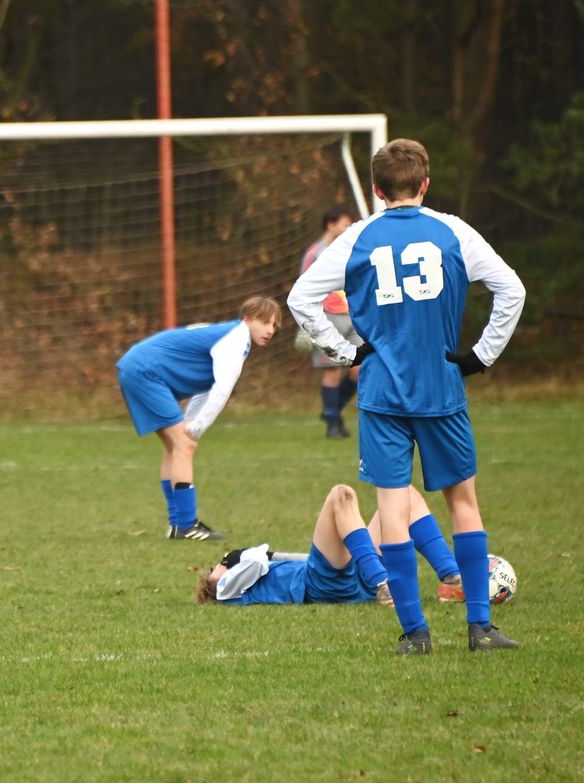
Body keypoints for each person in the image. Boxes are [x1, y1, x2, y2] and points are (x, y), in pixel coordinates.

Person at [287, 138, 525, 654]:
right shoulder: (454, 230)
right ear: (425, 184)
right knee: (463, 502)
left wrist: (342, 351)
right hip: (442, 388)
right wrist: (482, 355)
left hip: (382, 394)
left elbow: (300, 297)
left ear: (376, 190)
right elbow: (512, 289)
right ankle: (480, 628)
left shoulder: (357, 236)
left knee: (392, 508)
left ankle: (416, 633)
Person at [116, 296, 282, 541]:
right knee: (184, 445)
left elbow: (207, 387)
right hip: (145, 372)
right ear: (247, 319)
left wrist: (191, 421)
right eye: (265, 322)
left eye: (274, 326)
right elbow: (221, 390)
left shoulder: (231, 336)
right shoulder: (235, 339)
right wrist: (197, 428)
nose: (270, 330)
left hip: (138, 367)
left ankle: (178, 524)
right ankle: (186, 525)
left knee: (175, 446)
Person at [194, 484, 464, 606]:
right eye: (215, 570)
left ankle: (453, 578)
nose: (218, 566)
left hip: (352, 576)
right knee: (340, 495)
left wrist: (263, 556)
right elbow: (253, 561)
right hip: (322, 584)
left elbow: (270, 561)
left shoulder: (247, 579)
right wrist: (235, 556)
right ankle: (383, 583)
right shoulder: (225, 591)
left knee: (403, 494)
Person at [298, 205, 361, 439]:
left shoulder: (351, 251)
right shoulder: (315, 254)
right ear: (330, 225)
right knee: (332, 370)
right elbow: (303, 289)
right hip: (327, 316)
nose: (348, 229)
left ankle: (332, 410)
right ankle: (333, 425)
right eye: (344, 225)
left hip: (353, 315)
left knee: (361, 369)